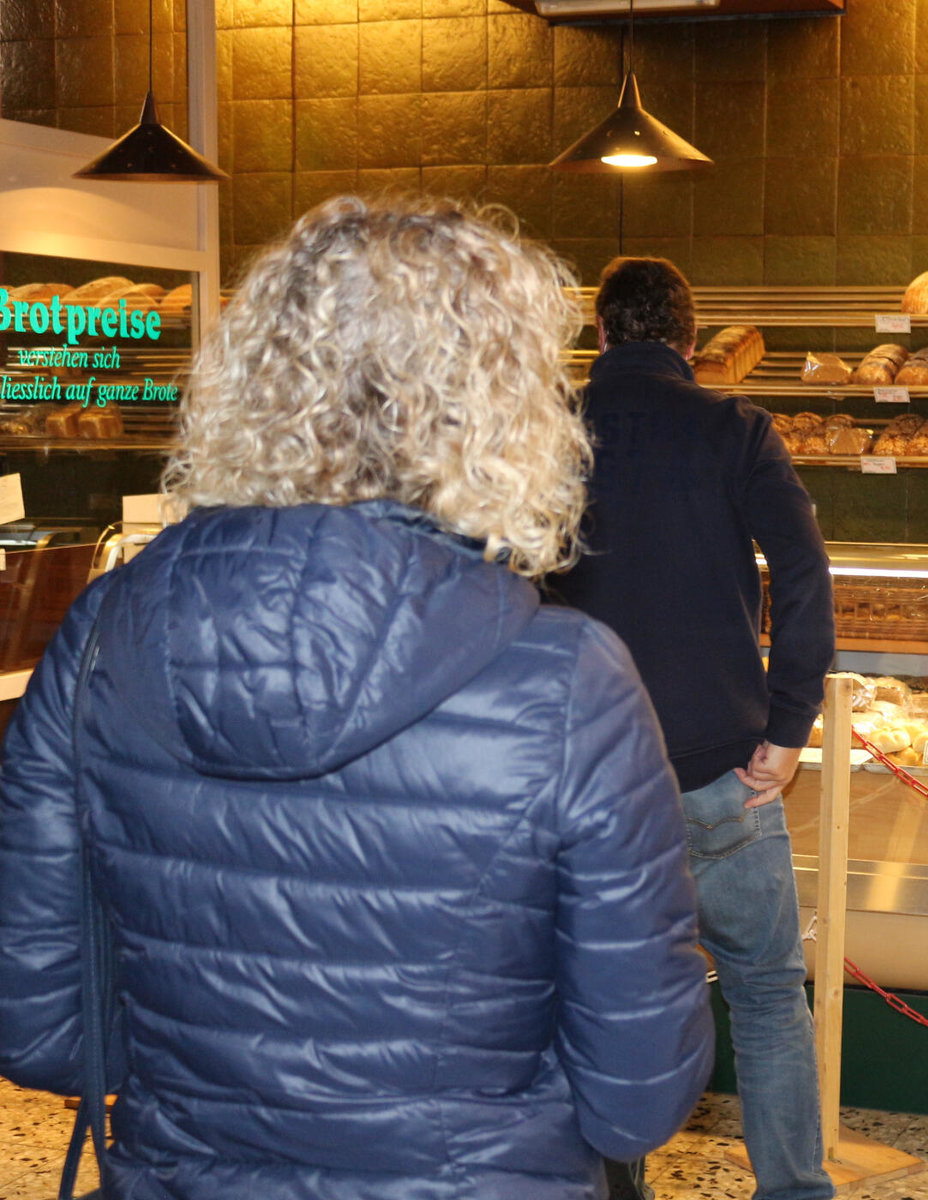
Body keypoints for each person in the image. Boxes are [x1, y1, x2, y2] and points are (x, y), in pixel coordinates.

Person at [0, 197, 714, 1198]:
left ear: (248, 381)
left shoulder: (99, 639)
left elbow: (40, 1031)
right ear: (502, 403)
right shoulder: (566, 681)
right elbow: (636, 1099)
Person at [556, 257, 836, 1200]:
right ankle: (794, 1191)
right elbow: (803, 572)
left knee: (602, 999)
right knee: (764, 996)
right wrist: (790, 723)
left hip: (584, 781)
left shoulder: (544, 436)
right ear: (687, 338)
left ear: (599, 336)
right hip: (724, 770)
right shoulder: (735, 427)